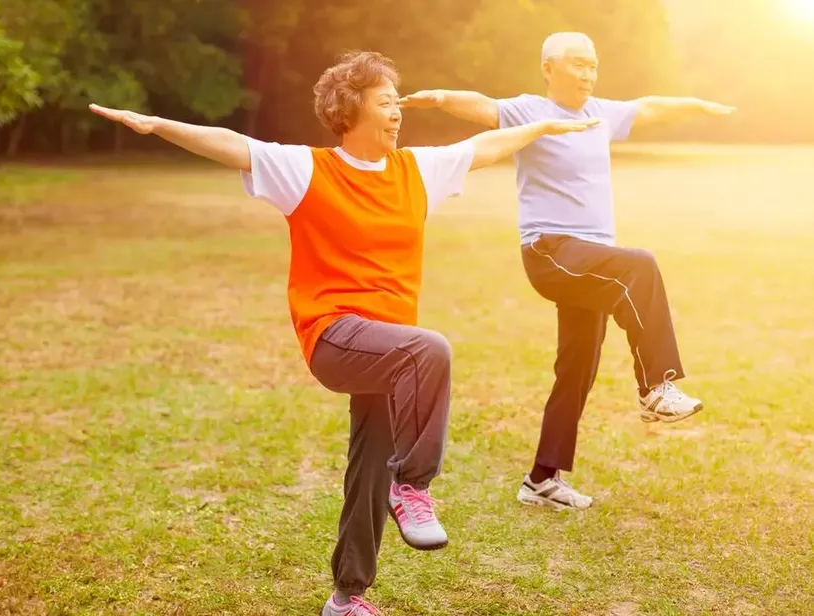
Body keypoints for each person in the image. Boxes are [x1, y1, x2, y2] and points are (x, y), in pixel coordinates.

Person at [89, 50, 598, 615]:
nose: (397, 113)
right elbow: (230, 143)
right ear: (349, 110)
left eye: (397, 101)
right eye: (385, 102)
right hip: (335, 336)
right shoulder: (307, 169)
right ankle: (414, 485)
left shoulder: (415, 171)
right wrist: (156, 123)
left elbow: (483, 148)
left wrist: (544, 124)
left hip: (388, 351)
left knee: (368, 465)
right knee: (430, 351)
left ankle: (346, 597)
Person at [400, 32, 736, 512]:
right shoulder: (530, 111)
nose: (587, 74)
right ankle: (657, 386)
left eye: (593, 66)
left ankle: (541, 479)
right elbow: (481, 106)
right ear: (548, 67)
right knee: (638, 267)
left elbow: (649, 107)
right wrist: (440, 98)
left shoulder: (600, 114)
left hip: (590, 263)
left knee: (577, 368)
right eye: (577, 64)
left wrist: (698, 106)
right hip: (551, 251)